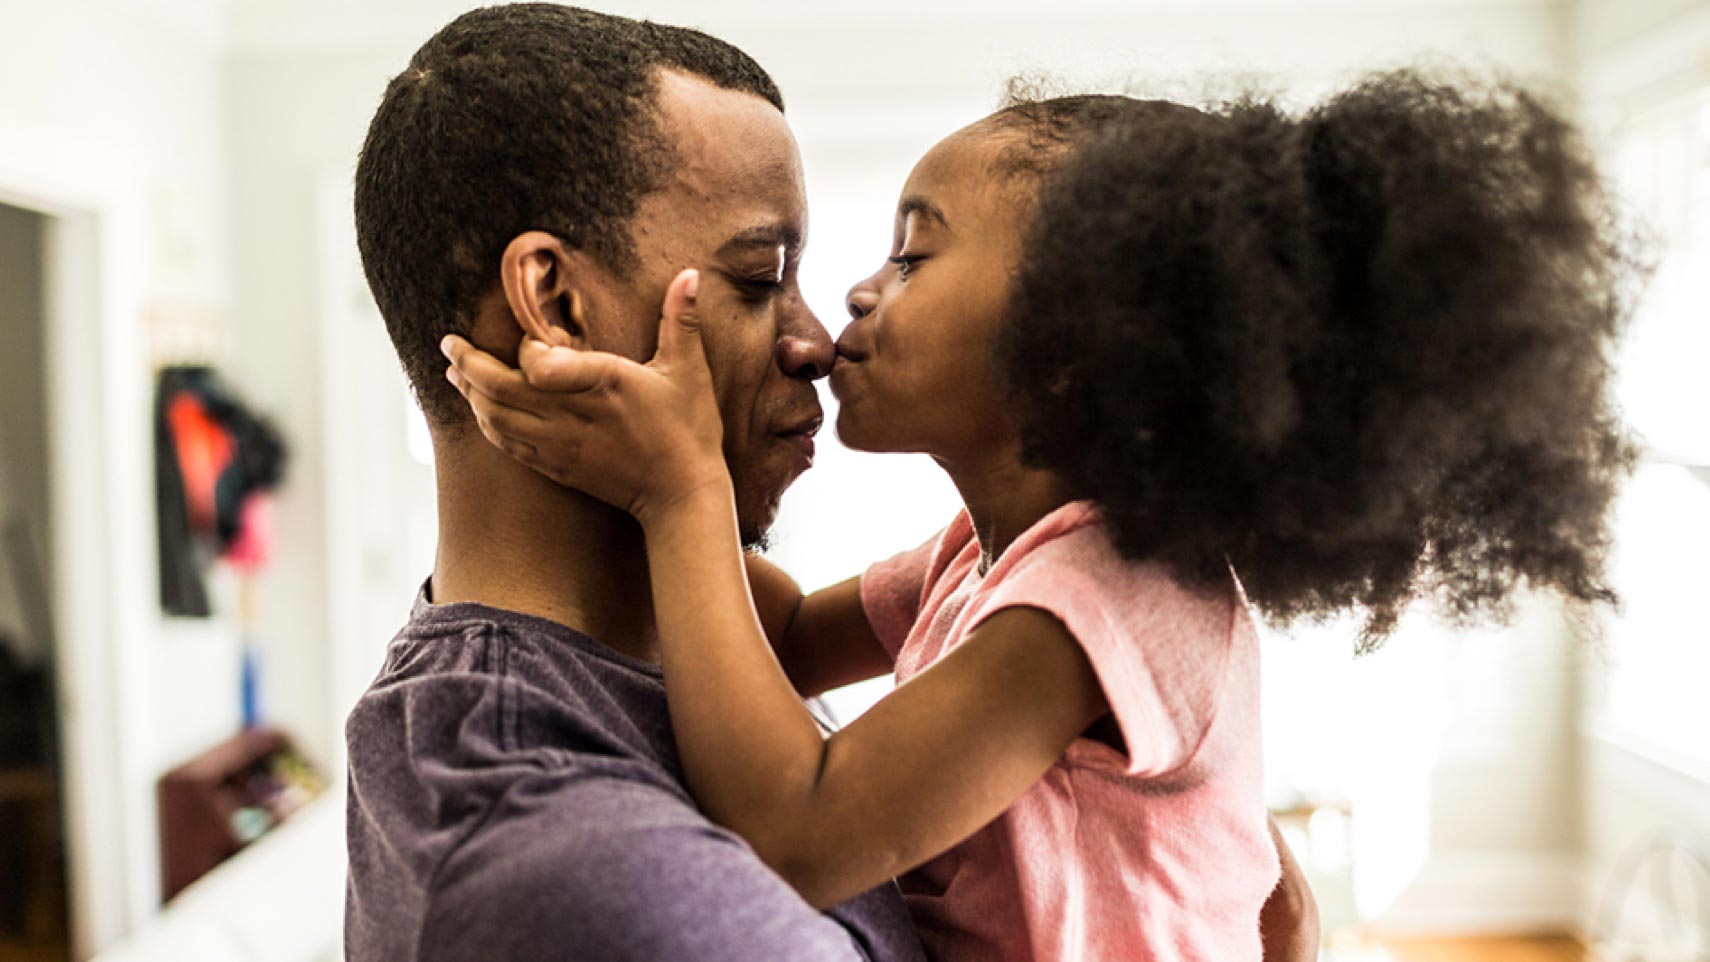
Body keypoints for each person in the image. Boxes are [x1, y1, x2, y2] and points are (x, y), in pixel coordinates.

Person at [443, 71, 1638, 961]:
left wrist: (680, 489)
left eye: (914, 257)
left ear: (1073, 347)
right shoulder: (985, 556)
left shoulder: (1094, 602)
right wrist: (631, 462)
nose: (856, 289)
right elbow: (791, 632)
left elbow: (801, 827)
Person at [344, 6, 924, 960]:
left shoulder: (699, 631)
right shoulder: (564, 859)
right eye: (759, 278)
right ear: (558, 303)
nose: (817, 342)